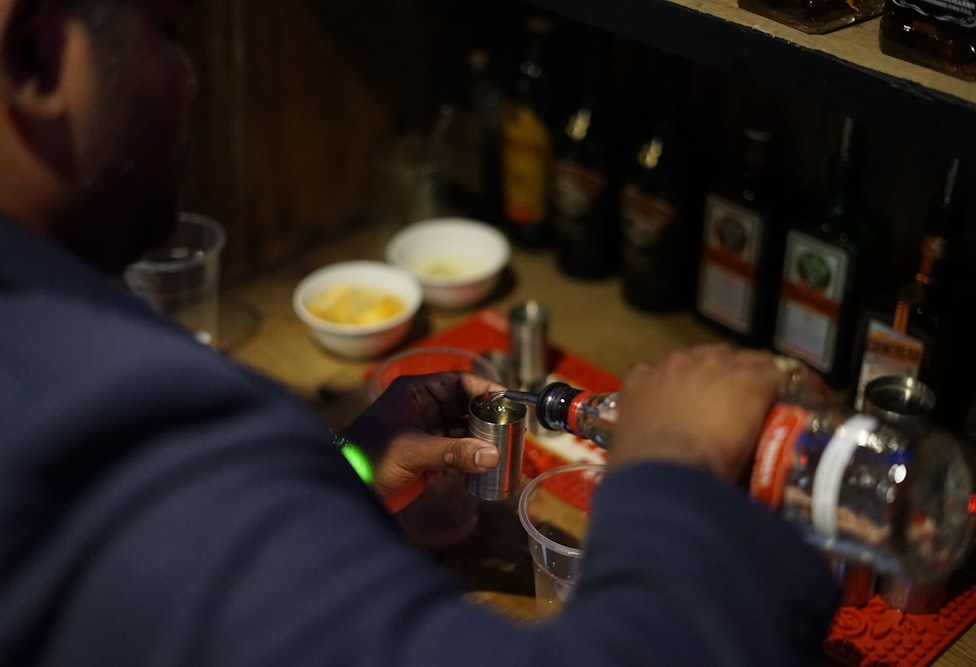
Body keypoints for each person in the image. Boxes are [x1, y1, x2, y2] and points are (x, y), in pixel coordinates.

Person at [0, 1, 841, 665]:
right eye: (167, 32)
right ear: (36, 54)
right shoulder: (126, 428)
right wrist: (678, 472)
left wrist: (346, 475)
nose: (187, 82)